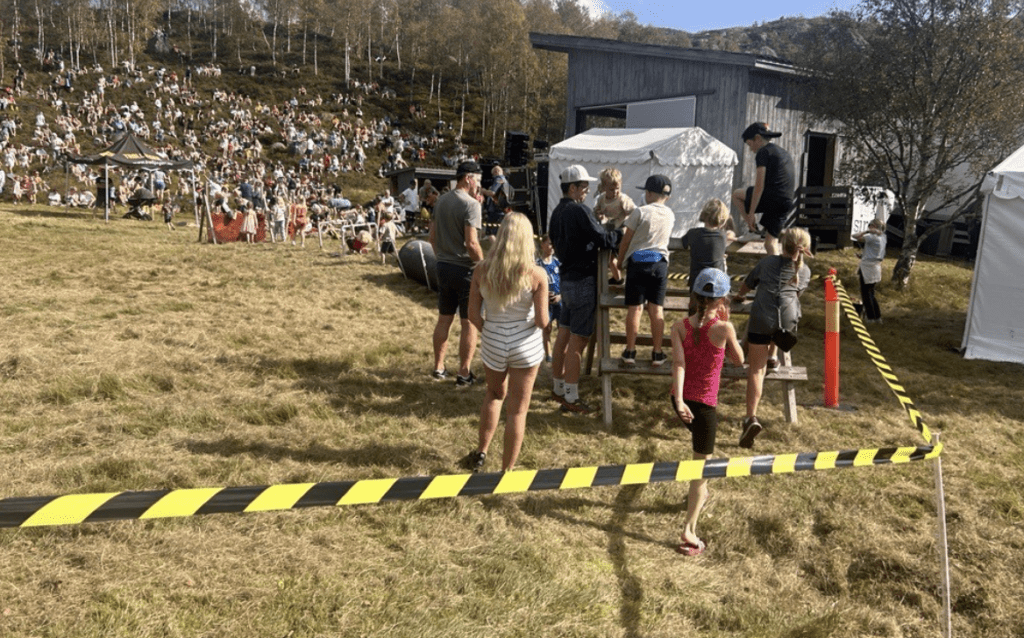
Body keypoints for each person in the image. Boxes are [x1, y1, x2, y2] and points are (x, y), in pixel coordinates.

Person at [460, 213, 548, 472]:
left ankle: (481, 451)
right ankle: (506, 470)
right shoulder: (536, 274)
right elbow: (542, 321)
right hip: (526, 345)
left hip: (494, 342)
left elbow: (473, 315)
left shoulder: (481, 270)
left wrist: (492, 331)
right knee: (518, 412)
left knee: (494, 394)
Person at [669, 267, 744, 556]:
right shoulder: (724, 328)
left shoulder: (679, 326)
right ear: (722, 299)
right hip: (703, 406)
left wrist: (678, 401)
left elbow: (679, 365)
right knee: (700, 470)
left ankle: (699, 497)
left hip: (682, 401)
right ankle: (689, 530)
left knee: (704, 461)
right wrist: (727, 326)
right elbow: (738, 361)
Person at [548, 165, 622, 414]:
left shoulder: (557, 212)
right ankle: (571, 396)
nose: (587, 191)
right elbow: (602, 238)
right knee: (577, 343)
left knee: (563, 337)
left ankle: (558, 388)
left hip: (566, 280)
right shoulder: (579, 210)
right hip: (582, 282)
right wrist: (622, 233)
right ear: (572, 188)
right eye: (583, 187)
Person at [734, 227, 813, 448]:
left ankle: (751, 417)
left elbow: (746, 285)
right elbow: (794, 296)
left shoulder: (767, 263)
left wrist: (739, 296)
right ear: (804, 248)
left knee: (756, 370)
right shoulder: (805, 271)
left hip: (761, 318)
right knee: (778, 323)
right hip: (787, 323)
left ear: (782, 244)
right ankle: (773, 356)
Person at [429, 160, 484, 387]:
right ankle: (463, 373)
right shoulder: (471, 205)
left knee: (444, 318)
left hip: (442, 266)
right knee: (468, 323)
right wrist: (484, 266)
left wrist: (442, 257)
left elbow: (431, 238)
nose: (479, 186)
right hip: (465, 270)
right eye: (478, 181)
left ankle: (439, 367)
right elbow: (472, 243)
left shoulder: (440, 201)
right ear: (468, 179)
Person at [614, 174, 675, 368]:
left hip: (639, 260)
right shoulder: (670, 214)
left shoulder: (640, 212)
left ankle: (630, 350)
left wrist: (620, 260)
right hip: (660, 262)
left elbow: (627, 239)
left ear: (648, 193)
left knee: (636, 308)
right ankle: (657, 352)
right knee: (657, 309)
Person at [732, 122, 796, 255]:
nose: (751, 149)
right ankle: (777, 274)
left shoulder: (763, 152)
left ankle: (752, 230)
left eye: (750, 145)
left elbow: (759, 186)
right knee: (770, 243)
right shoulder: (783, 152)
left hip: (773, 198)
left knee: (737, 195)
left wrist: (750, 215)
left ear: (757, 138)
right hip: (787, 201)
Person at [680, 199, 736, 315]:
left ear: (704, 215)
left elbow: (684, 243)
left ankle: (694, 331)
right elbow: (731, 234)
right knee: (715, 314)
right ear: (723, 219)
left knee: (694, 314)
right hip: (717, 282)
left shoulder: (693, 233)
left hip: (697, 280)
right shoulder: (722, 236)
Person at [854, 218, 886, 324]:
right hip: (875, 266)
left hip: (868, 267)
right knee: (871, 293)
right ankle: (877, 317)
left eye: (870, 226)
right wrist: (863, 255)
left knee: (866, 294)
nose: (868, 227)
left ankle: (870, 317)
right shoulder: (883, 237)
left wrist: (867, 231)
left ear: (875, 227)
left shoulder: (872, 237)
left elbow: (856, 236)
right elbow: (874, 251)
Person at [537, 234, 561, 363]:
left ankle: (561, 352)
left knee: (562, 327)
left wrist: (560, 296)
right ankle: (548, 354)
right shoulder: (537, 264)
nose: (552, 247)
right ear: (542, 245)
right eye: (550, 243)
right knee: (547, 328)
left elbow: (564, 281)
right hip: (545, 302)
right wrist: (543, 295)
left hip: (559, 300)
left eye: (553, 244)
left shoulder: (558, 262)